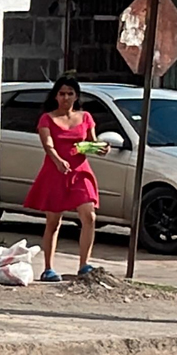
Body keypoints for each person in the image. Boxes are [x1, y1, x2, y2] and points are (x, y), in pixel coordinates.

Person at [22, 75, 108, 282]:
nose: (66, 97)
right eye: (62, 93)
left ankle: (84, 265)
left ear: (77, 96)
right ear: (55, 96)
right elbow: (48, 145)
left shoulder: (85, 117)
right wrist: (58, 160)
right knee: (53, 221)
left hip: (80, 171)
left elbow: (91, 142)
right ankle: (48, 268)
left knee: (89, 216)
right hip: (55, 172)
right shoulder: (47, 119)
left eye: (70, 93)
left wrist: (100, 148)